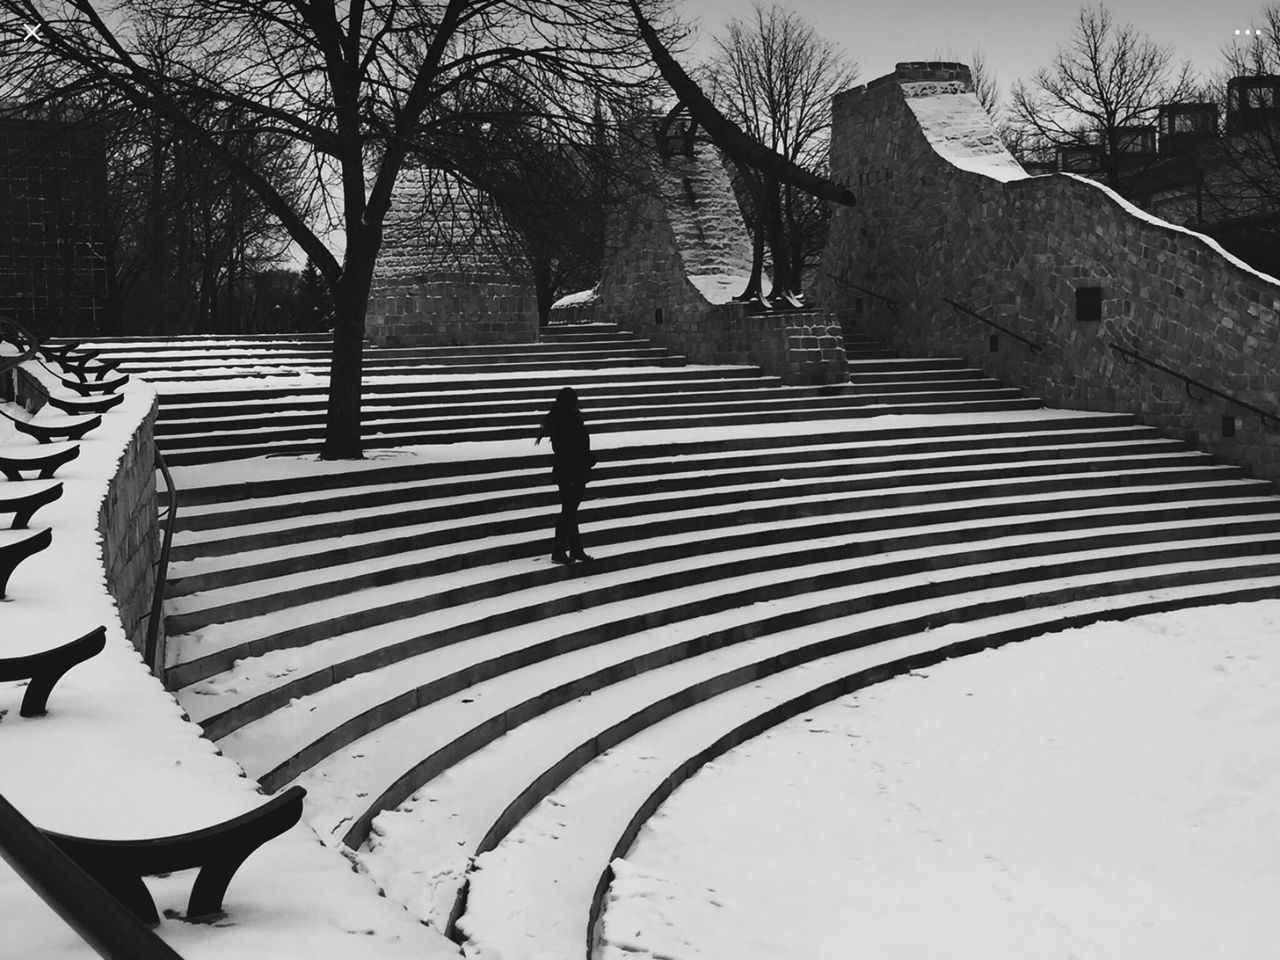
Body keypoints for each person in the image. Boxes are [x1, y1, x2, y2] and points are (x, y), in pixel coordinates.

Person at [534, 386, 595, 565]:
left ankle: (575, 549)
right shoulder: (569, 420)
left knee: (570, 511)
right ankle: (559, 551)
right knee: (568, 512)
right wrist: (589, 458)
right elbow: (574, 449)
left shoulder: (559, 419)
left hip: (566, 472)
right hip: (573, 473)